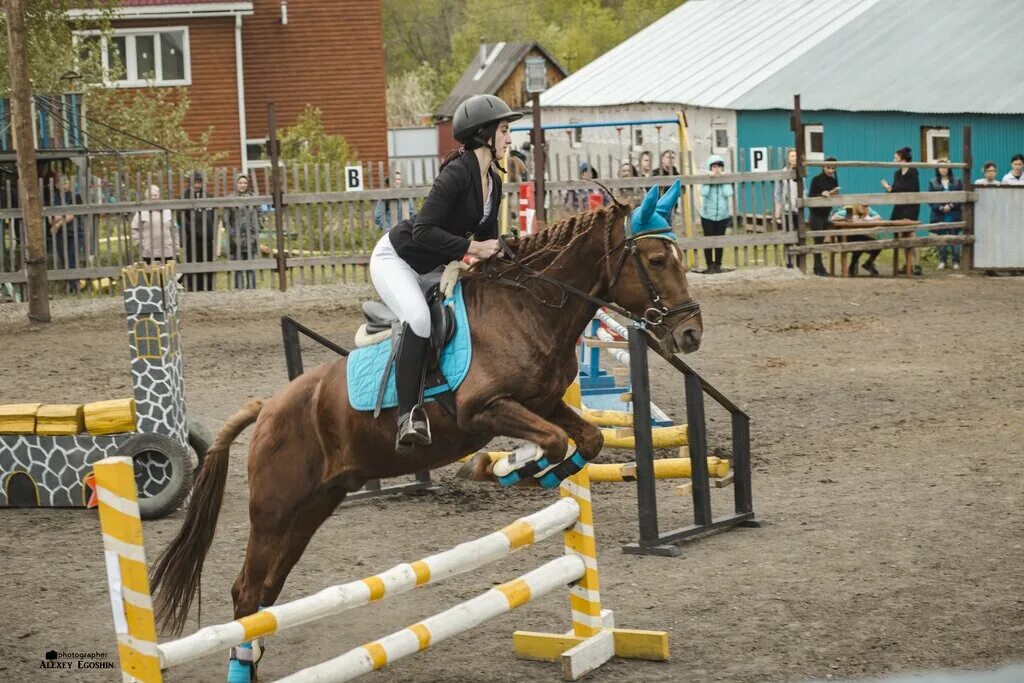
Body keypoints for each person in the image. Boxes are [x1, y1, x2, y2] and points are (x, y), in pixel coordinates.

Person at [370, 94, 521, 453]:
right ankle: (408, 416)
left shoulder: (493, 182)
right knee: (420, 320)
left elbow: (486, 241)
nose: (509, 140)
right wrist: (471, 249)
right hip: (398, 259)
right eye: (504, 130)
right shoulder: (457, 172)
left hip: (434, 266)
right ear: (485, 133)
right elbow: (423, 231)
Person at [881, 147, 922, 275]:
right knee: (900, 233)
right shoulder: (897, 173)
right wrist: (888, 188)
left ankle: (917, 264)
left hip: (910, 206)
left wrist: (892, 189)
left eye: (896, 157)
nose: (894, 159)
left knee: (911, 233)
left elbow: (908, 189)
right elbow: (896, 189)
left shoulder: (913, 172)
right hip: (899, 206)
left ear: (902, 158)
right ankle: (907, 263)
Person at [179, 171, 217, 291]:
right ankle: (193, 288)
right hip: (192, 239)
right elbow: (181, 218)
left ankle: (208, 288)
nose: (197, 186)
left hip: (207, 238)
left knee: (207, 264)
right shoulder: (185, 197)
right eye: (195, 183)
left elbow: (214, 216)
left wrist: (211, 231)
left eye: (199, 183)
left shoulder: (208, 197)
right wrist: (192, 229)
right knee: (193, 264)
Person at [225, 173, 262, 288]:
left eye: (245, 183)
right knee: (238, 266)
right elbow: (226, 218)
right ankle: (239, 289)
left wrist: (258, 227)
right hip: (236, 239)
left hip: (251, 237)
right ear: (236, 184)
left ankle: (252, 288)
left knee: (251, 266)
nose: (243, 185)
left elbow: (259, 214)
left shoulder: (253, 197)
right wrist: (231, 232)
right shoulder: (230, 199)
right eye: (240, 182)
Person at [49, 175, 83, 293]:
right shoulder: (53, 198)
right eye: (61, 183)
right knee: (64, 259)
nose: (64, 185)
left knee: (72, 257)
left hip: (74, 232)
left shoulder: (75, 197)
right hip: (60, 234)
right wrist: (59, 218)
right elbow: (51, 217)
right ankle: (72, 285)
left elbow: (72, 215)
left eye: (66, 183)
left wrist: (58, 224)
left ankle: (74, 286)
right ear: (56, 185)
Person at [699, 154, 733, 273]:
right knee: (708, 241)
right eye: (714, 166)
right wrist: (710, 180)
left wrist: (722, 180)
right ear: (710, 167)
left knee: (720, 241)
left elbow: (728, 193)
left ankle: (718, 264)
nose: (717, 169)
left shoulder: (726, 180)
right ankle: (709, 265)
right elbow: (704, 193)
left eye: (719, 166)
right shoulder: (706, 180)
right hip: (707, 215)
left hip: (722, 216)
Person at [807, 157, 841, 276]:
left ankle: (818, 268)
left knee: (821, 242)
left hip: (826, 214)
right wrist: (821, 194)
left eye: (833, 168)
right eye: (828, 168)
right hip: (816, 214)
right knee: (818, 241)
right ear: (823, 167)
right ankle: (819, 268)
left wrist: (834, 193)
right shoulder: (816, 179)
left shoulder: (834, 180)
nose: (831, 170)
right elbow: (810, 196)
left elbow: (834, 196)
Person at [928, 161, 964, 270]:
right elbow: (930, 199)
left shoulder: (957, 181)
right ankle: (942, 261)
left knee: (954, 238)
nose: (943, 169)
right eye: (940, 167)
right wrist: (940, 207)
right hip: (940, 214)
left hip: (954, 213)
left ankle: (956, 262)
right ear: (937, 169)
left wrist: (951, 205)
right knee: (941, 239)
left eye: (945, 167)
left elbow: (961, 197)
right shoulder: (932, 182)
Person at [130, 185, 178, 265]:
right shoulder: (141, 212)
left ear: (159, 196)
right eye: (151, 195)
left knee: (168, 275)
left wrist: (175, 247)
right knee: (151, 275)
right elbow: (134, 228)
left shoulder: (167, 211)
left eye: (155, 195)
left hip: (167, 251)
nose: (153, 197)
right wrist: (140, 243)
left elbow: (174, 230)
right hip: (149, 252)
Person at [829, 204, 881, 277]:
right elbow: (833, 218)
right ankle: (852, 266)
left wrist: (868, 219)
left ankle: (868, 263)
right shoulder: (849, 210)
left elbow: (878, 217)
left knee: (878, 245)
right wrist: (846, 218)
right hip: (844, 235)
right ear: (857, 204)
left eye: (866, 206)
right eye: (862, 206)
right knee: (859, 244)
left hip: (857, 234)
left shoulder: (867, 210)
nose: (864, 208)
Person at [774, 148, 800, 230]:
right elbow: (778, 193)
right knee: (788, 233)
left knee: (799, 234)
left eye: (796, 156)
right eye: (792, 156)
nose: (794, 158)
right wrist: (777, 211)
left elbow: (804, 189)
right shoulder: (782, 173)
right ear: (788, 159)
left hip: (798, 208)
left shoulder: (800, 172)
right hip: (786, 209)